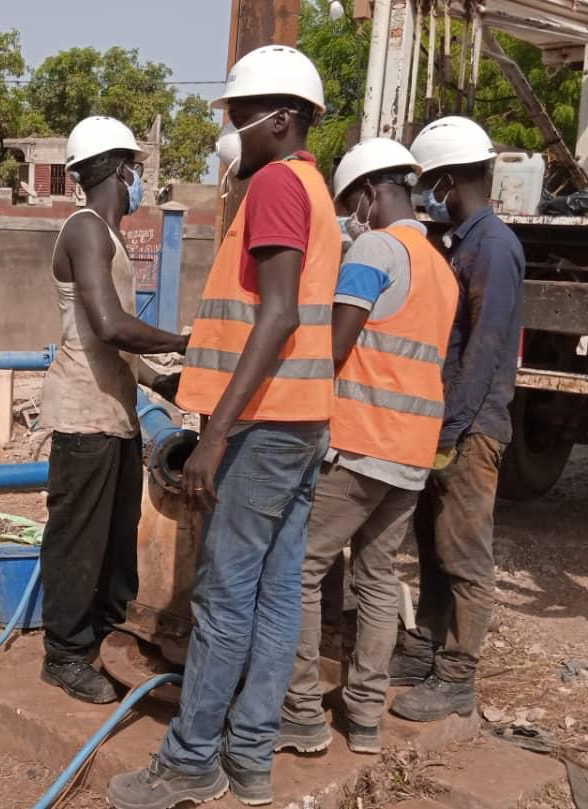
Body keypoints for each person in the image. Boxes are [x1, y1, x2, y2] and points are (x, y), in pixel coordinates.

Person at [108, 45, 340, 809]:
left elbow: (275, 315)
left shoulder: (275, 184)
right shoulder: (314, 187)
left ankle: (190, 762)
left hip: (261, 428)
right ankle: (249, 760)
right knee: (274, 597)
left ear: (280, 118)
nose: (230, 129)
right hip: (301, 423)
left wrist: (215, 435)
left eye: (239, 115)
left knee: (224, 597)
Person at [277, 138, 459, 756]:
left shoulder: (377, 247)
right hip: (412, 450)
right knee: (379, 579)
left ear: (365, 194)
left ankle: (300, 711)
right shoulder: (437, 262)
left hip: (361, 443)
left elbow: (335, 343)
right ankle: (364, 719)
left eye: (351, 202)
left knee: (301, 568)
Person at [39, 115, 189, 705]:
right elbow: (108, 326)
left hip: (114, 413)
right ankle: (65, 654)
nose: (140, 182)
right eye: (137, 170)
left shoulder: (109, 235)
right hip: (83, 416)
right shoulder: (84, 231)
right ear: (119, 169)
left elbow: (114, 349)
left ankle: (103, 634)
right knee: (78, 539)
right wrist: (182, 344)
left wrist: (163, 383)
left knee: (113, 540)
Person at [388, 117, 524, 722]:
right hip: (447, 423)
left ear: (445, 178)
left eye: (431, 181)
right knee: (434, 548)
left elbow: (486, 349)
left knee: (465, 557)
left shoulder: (492, 246)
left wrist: (450, 430)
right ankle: (424, 652)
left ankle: (458, 678)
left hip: (470, 430)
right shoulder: (465, 241)